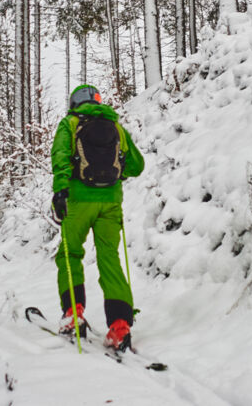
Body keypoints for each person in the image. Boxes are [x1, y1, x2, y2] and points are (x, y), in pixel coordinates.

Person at [50, 84, 145, 351]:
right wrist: (119, 173)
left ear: (74, 102)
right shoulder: (115, 127)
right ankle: (120, 325)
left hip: (79, 201)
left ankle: (73, 314)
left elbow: (59, 157)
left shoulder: (70, 123)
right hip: (111, 203)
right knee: (109, 258)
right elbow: (137, 165)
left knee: (69, 254)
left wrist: (60, 191)